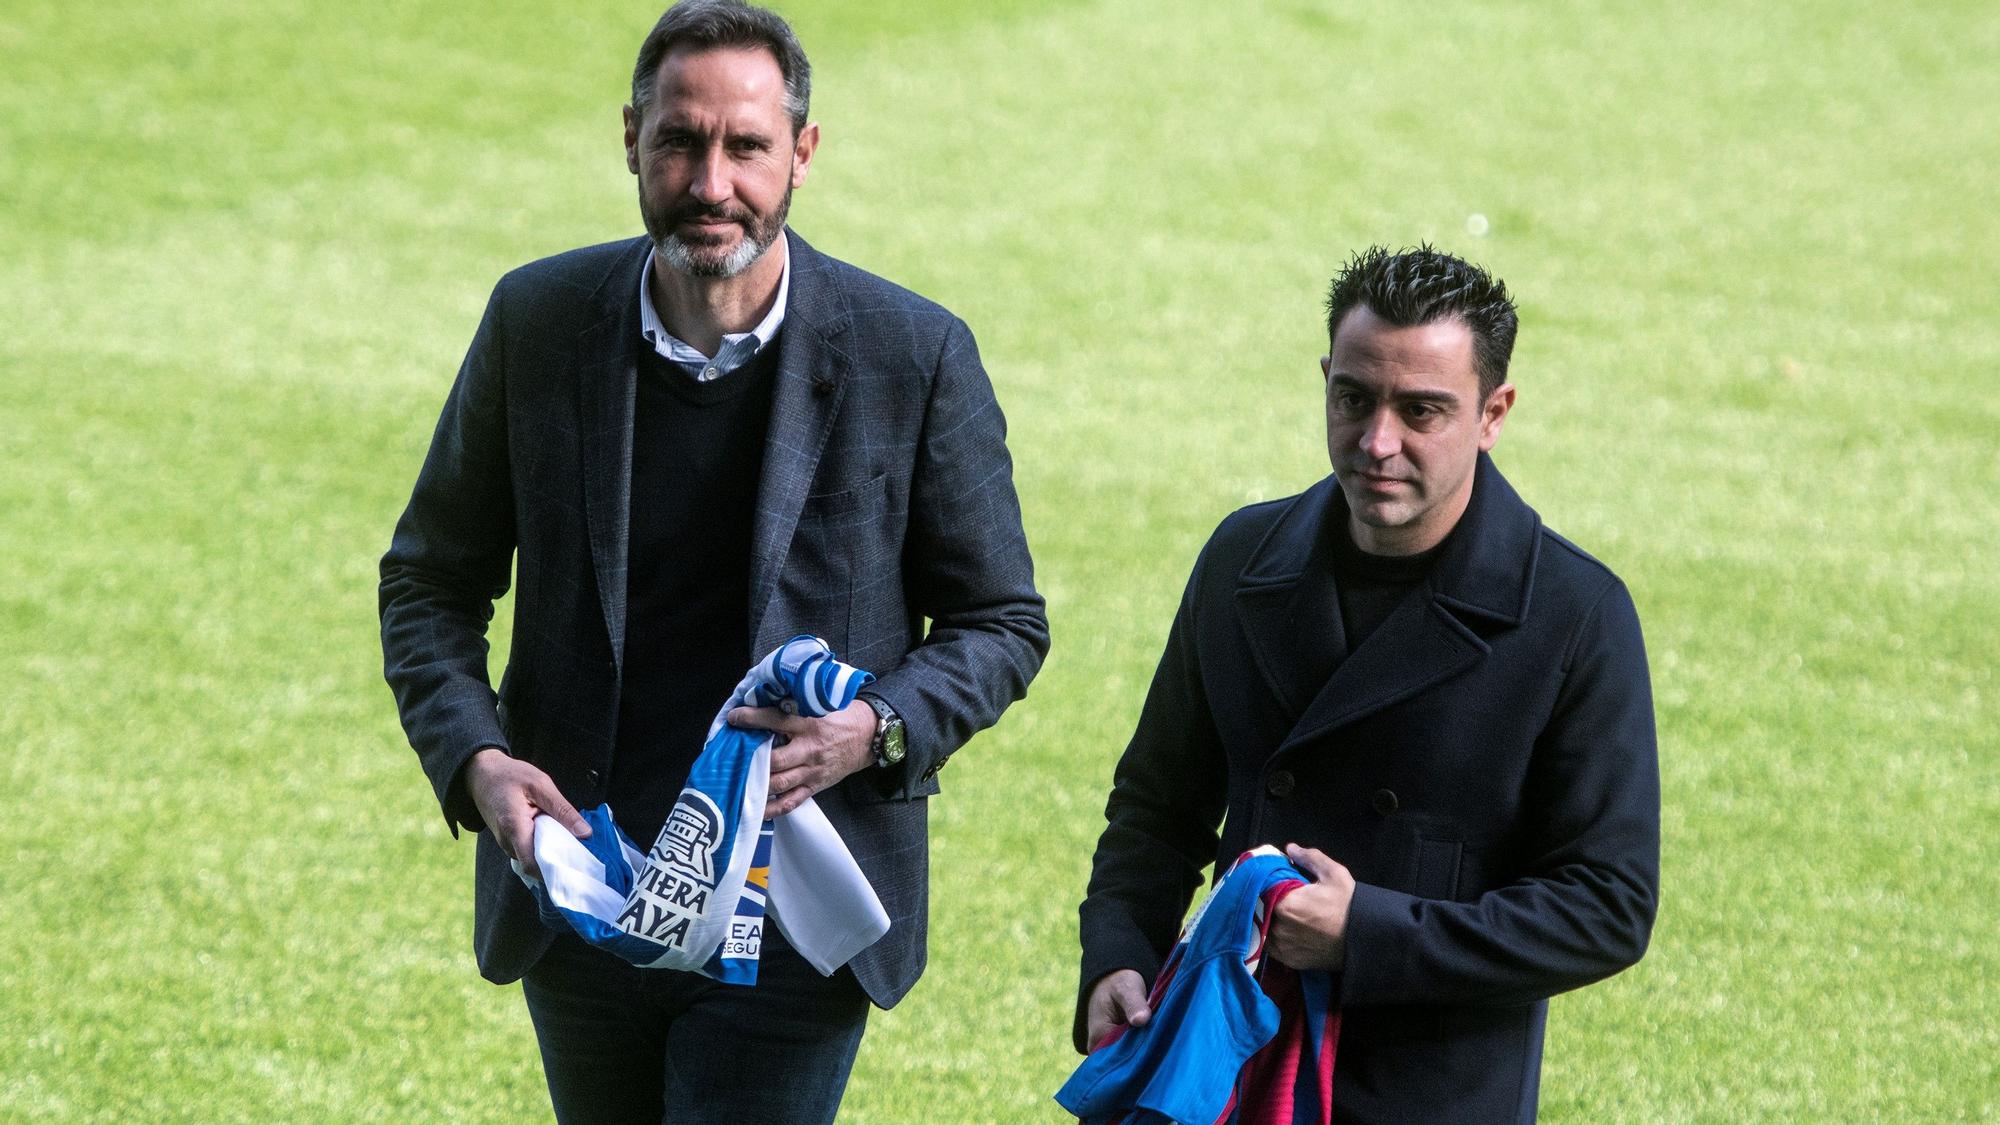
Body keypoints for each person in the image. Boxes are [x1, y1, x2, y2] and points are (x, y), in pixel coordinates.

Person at [378, 2, 1048, 1120]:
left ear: (803, 154)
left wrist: (871, 729)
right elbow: (429, 580)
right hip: (583, 888)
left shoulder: (910, 353)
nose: (710, 181)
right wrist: (475, 762)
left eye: (745, 146)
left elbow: (1000, 620)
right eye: (679, 141)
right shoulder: (536, 323)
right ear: (630, 137)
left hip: (792, 914)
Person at [1074, 246, 1658, 1122]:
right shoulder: (1242, 559)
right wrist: (1119, 953)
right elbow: (1158, 805)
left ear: (1493, 413)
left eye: (1421, 410)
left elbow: (1607, 905)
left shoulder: (1575, 614)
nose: (1378, 441)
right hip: (1224, 1063)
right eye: (1353, 398)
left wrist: (1368, 933)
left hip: (1429, 1090)